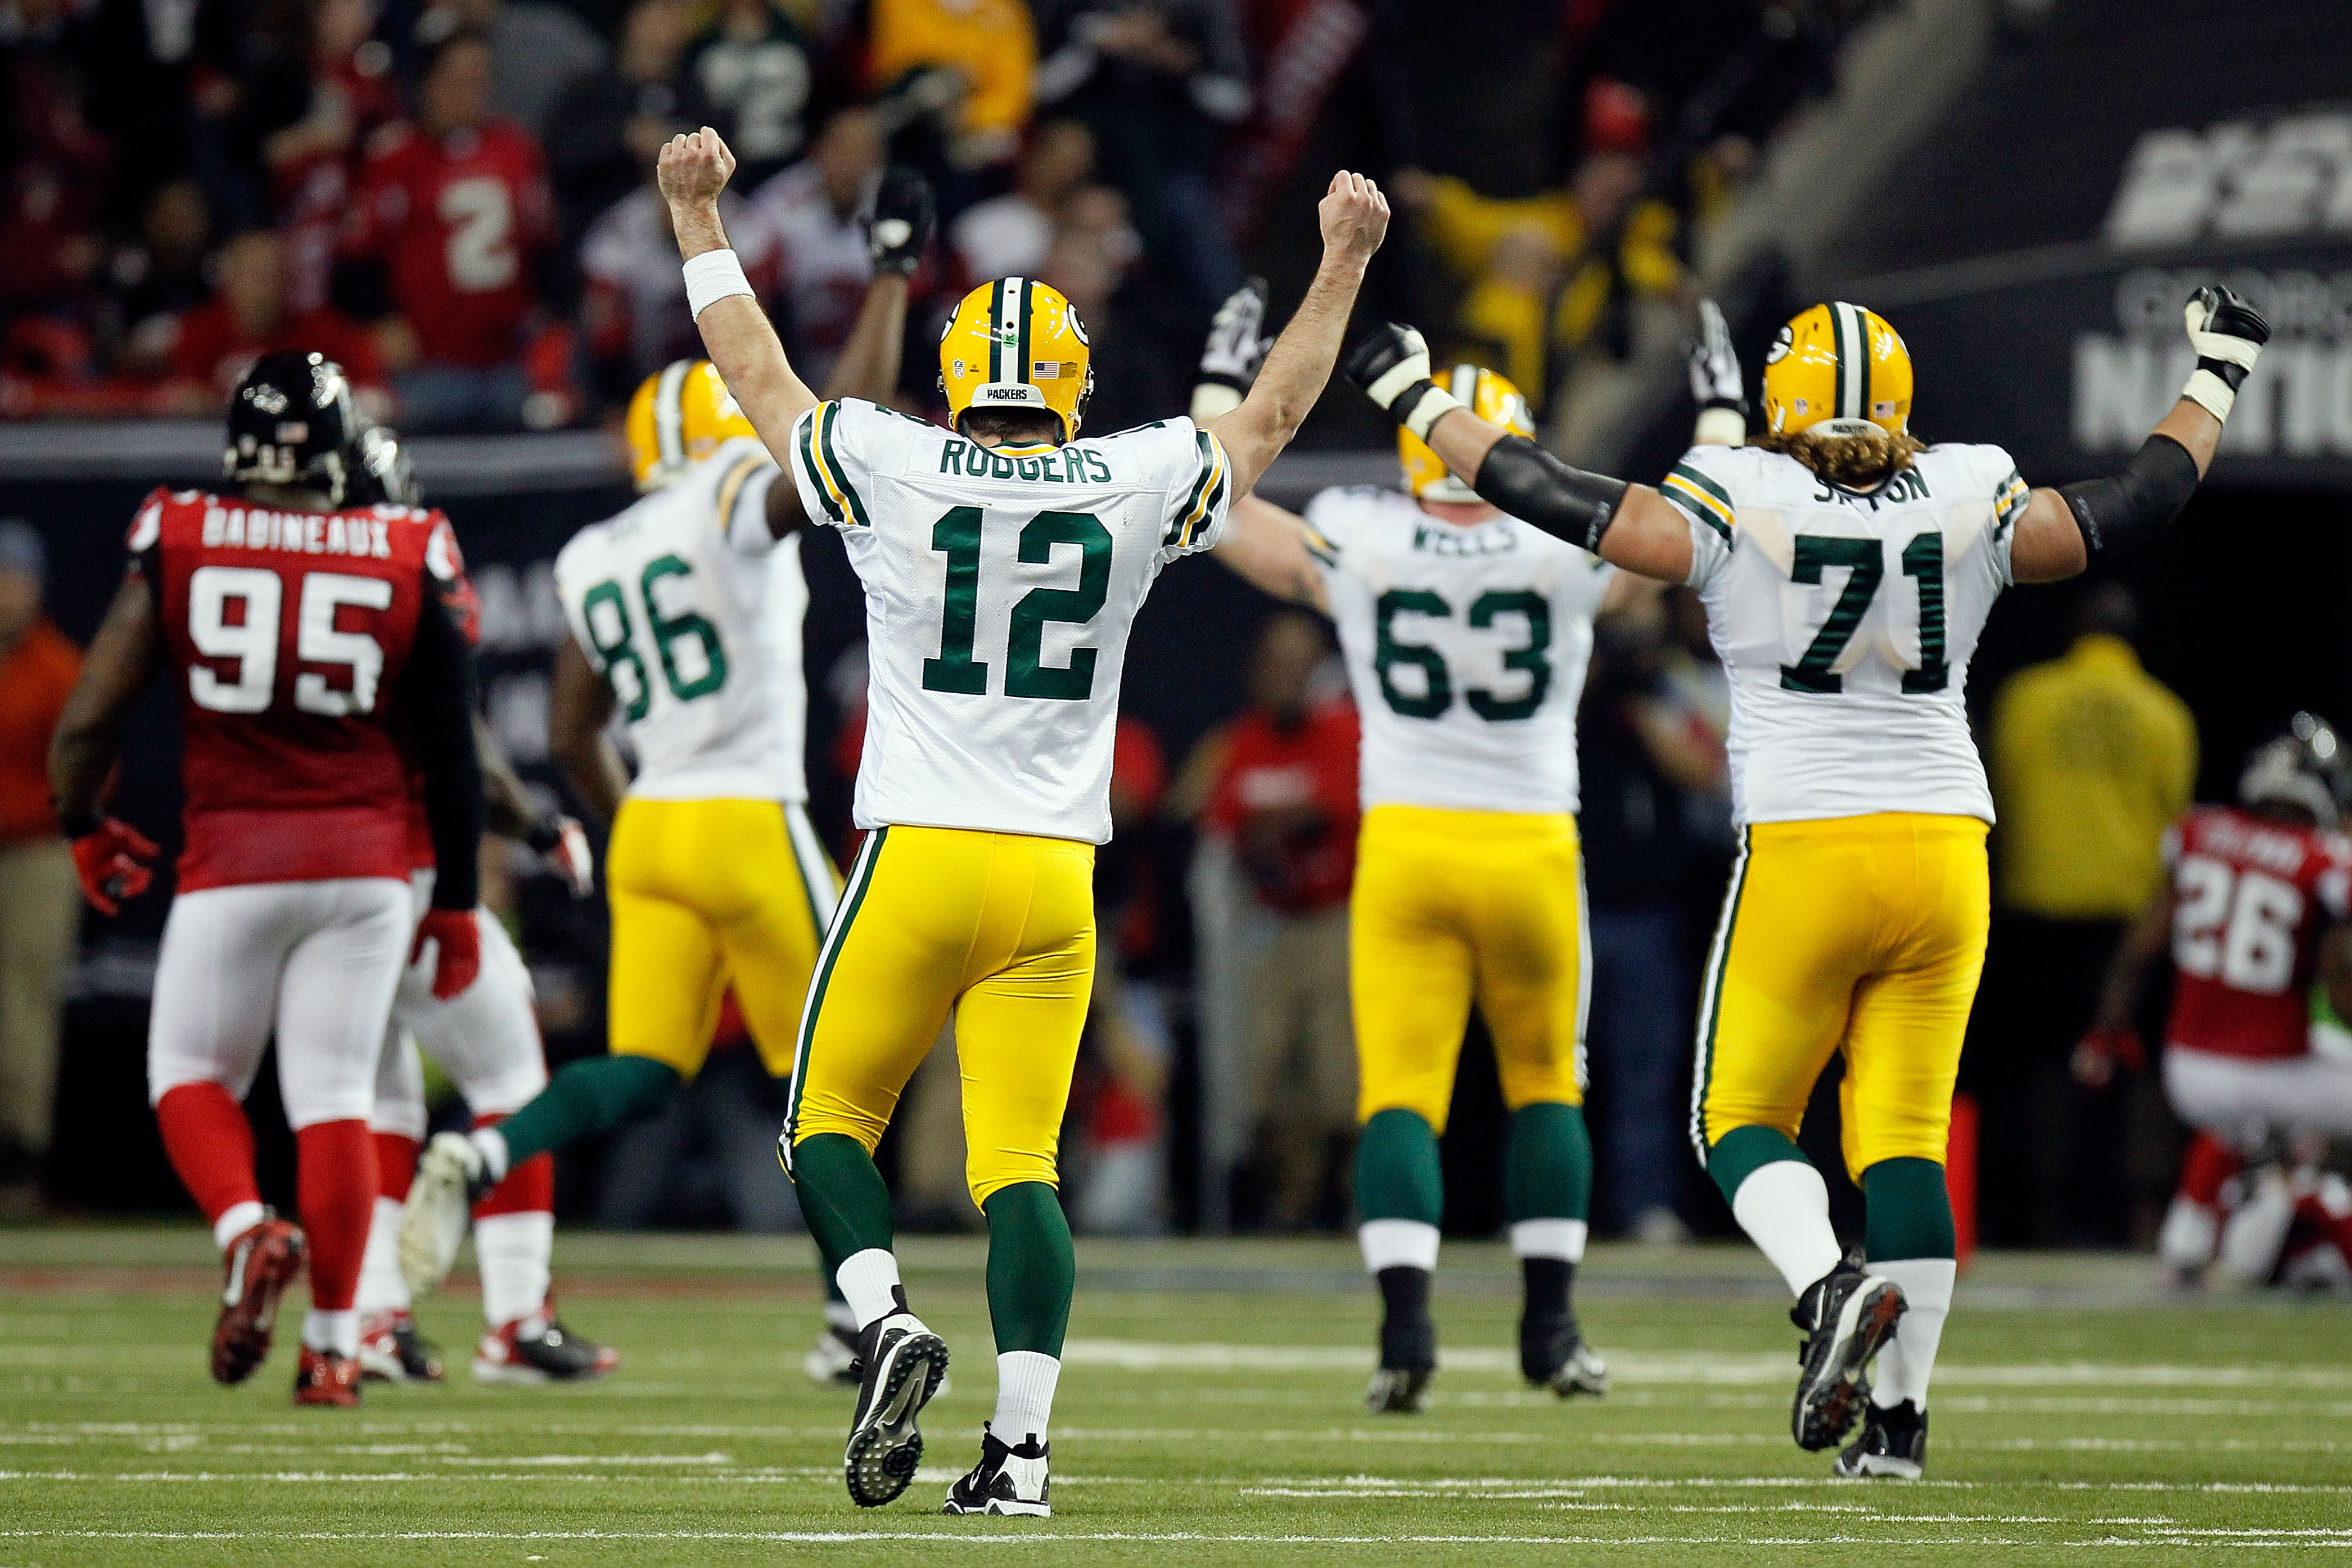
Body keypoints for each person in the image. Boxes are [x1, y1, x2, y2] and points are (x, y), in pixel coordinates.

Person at [1346, 284, 2270, 1477]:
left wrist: (1416, 399)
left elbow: (1558, 498)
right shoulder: (1968, 481)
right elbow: (2140, 499)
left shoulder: (1744, 488)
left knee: (1733, 1120)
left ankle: (1829, 1280)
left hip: (1809, 842)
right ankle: (1897, 1429)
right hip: (1945, 848)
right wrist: (2221, 371)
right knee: (1902, 1138)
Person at [654, 123, 1385, 1515]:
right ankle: (1023, 1456)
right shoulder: (1130, 477)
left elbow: (751, 370)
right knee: (1019, 1171)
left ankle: (881, 1317)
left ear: (951, 379)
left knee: (824, 1127)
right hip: (1054, 877)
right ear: (1069, 382)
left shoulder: (887, 456)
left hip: (921, 854)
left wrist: (697, 218)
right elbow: (1270, 420)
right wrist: (1340, 260)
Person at [396, 170, 929, 1393]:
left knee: (642, 1066)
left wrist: (636, 822)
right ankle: (864, 1316)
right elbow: (838, 431)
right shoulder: (732, 491)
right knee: (834, 1082)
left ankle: (483, 1158)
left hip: (656, 829)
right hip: (748, 816)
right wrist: (892, 275)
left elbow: (577, 730)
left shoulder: (594, 549)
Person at [46, 351, 485, 1407]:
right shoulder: (405, 543)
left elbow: (91, 714)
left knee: (190, 1071)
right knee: (333, 1095)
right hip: (369, 863)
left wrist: (84, 820)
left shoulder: (182, 531)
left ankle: (247, 1227)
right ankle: (332, 1347)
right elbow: (453, 750)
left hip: (235, 856)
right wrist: (460, 897)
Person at [1206, 301, 1620, 1408]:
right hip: (1531, 841)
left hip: (1407, 844)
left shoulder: (1364, 528)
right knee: (1546, 1082)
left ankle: (1405, 1334)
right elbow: (1689, 548)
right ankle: (1551, 1326)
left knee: (1400, 1093)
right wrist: (1721, 423)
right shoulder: (1560, 537)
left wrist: (1215, 390)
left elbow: (1222, 514)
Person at [327, 422, 614, 1386]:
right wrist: (531, 827)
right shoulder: (410, 560)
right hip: (407, 869)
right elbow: (456, 734)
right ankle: (514, 1314)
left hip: (311, 877)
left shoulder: (267, 572)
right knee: (512, 1081)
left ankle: (369, 1317)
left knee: (375, 1097)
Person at [2076, 716, 2352, 1281]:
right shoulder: (2323, 858)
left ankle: (2195, 1226)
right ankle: (2297, 1198)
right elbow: (2341, 978)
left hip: (2186, 1066)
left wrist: (2105, 1030)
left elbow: (2137, 950)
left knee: (2244, 1120)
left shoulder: (2200, 830)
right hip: (2272, 1066)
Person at [1978, 582, 2196, 1244]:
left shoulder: (2022, 699)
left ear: (2074, 632)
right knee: (2114, 1073)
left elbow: (1989, 800)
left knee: (2025, 1074)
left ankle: (2017, 1214)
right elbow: (2177, 831)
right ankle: (2098, 1215)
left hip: (2031, 913)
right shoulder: (2165, 715)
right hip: (2120, 929)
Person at [1197, 610, 1358, 1232]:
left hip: (1334, 920)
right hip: (1267, 925)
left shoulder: (1342, 729)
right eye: (1275, 664)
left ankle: (1345, 1207)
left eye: (1298, 664)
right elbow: (1222, 824)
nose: (1285, 678)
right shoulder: (1241, 739)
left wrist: (1276, 828)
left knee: (1339, 1078)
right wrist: (1276, 831)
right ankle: (1288, 1209)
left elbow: (1332, 811)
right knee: (1263, 1078)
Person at [338, 26, 560, 431]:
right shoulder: (395, 157)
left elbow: (544, 245)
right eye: (458, 79)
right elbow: (357, 256)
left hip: (508, 361)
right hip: (428, 364)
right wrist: (381, 318)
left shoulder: (517, 150)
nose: (470, 91)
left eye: (479, 80)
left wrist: (542, 325)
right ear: (428, 84)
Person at [0, 521, 82, 1193]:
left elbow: (87, 769)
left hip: (33, 855)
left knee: (24, 1004)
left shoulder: (56, 666)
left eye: (14, 578)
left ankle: (22, 1155)